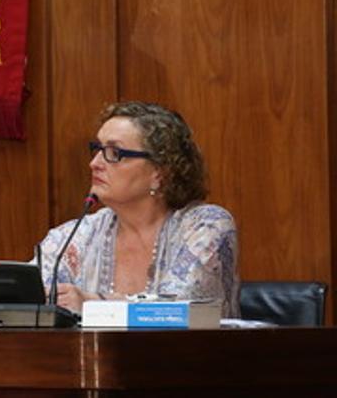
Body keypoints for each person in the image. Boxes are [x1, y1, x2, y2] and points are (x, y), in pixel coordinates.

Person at [37, 101, 240, 317]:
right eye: (97, 149)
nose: (94, 163)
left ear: (160, 172)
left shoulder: (206, 226)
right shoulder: (74, 236)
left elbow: (181, 311)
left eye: (114, 152)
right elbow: (25, 296)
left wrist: (91, 303)